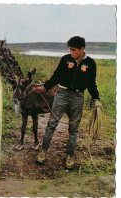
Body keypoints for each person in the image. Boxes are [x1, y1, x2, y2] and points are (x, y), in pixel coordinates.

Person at [33, 36, 102, 169]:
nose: (71, 52)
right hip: (62, 95)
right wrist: (45, 87)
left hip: (78, 97)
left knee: (73, 129)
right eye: (70, 50)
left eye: (74, 50)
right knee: (51, 124)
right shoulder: (65, 59)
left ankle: (70, 155)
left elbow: (91, 83)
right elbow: (56, 76)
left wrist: (96, 99)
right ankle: (43, 151)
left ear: (82, 49)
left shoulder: (91, 64)